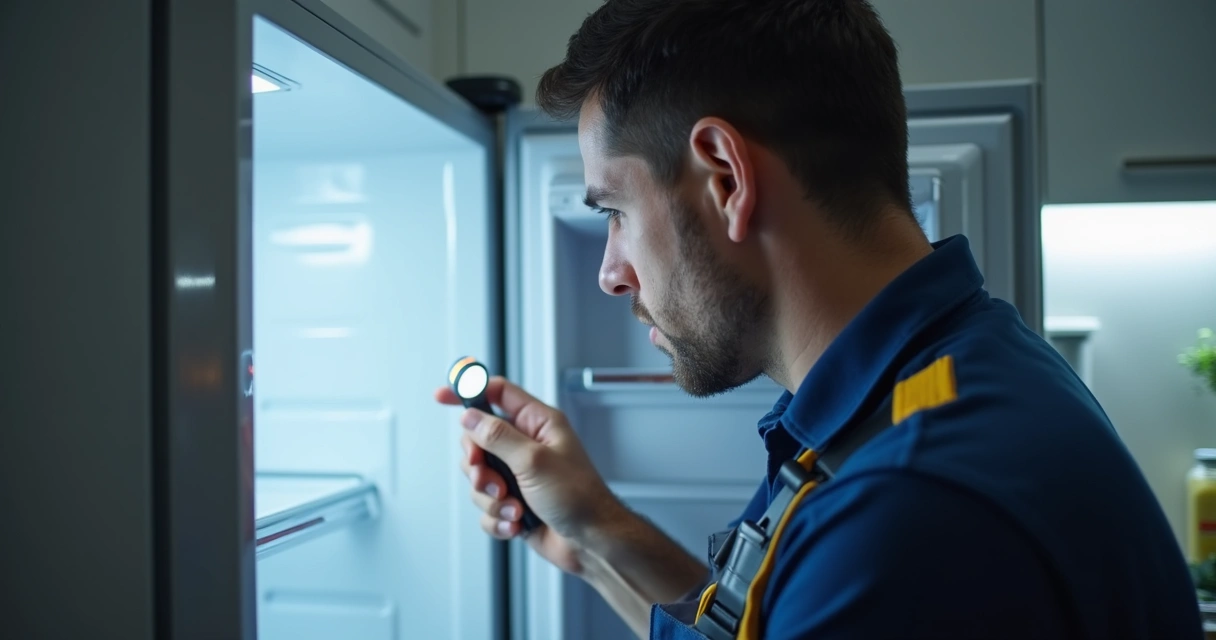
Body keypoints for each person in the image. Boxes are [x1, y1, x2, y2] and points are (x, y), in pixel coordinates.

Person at [436, 0, 1204, 637]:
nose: (610, 273)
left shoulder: (909, 511)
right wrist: (593, 532)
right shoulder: (930, 381)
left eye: (615, 211)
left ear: (727, 177)